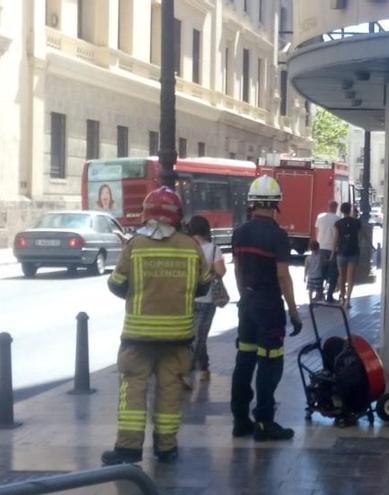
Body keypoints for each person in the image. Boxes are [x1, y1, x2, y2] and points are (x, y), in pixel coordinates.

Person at [102, 186, 213, 465]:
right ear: (177, 216)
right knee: (169, 393)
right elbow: (204, 286)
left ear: (147, 213)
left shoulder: (135, 246)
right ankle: (166, 448)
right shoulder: (191, 247)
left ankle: (128, 449)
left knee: (134, 391)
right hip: (178, 337)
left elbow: (116, 285)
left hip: (138, 337)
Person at [230, 175, 303, 441]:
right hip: (269, 306)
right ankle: (264, 422)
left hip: (247, 303)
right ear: (276, 204)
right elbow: (283, 276)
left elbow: (237, 269)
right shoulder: (277, 235)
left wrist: (244, 297)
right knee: (270, 362)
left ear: (252, 202)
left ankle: (240, 420)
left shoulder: (240, 232)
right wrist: (294, 313)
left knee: (245, 360)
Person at [188, 215, 226, 382]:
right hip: (208, 298)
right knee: (200, 336)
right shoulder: (213, 249)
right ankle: (196, 369)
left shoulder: (185, 247)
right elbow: (221, 272)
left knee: (194, 336)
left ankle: (199, 368)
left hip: (188, 297)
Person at [333, 202, 361, 308]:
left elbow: (336, 238)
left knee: (341, 276)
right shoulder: (357, 222)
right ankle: (348, 299)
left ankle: (342, 298)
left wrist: (332, 252)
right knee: (351, 278)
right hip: (353, 251)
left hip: (341, 252)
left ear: (341, 210)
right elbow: (359, 235)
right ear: (350, 210)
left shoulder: (338, 223)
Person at [314, 201, 340, 302]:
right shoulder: (338, 219)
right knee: (333, 273)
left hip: (321, 247)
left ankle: (319, 294)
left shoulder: (320, 217)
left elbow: (317, 232)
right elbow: (338, 236)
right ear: (336, 208)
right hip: (333, 249)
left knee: (320, 272)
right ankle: (329, 296)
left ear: (328, 207)